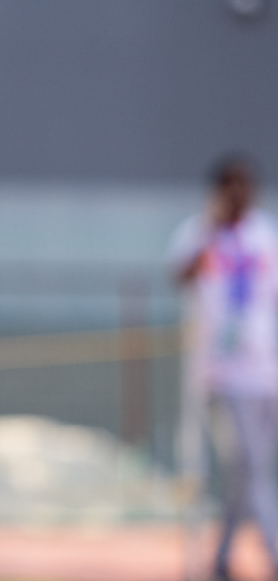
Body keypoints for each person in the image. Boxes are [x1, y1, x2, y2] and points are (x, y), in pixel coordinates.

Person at [170, 155, 278, 580]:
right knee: (253, 468)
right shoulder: (200, 232)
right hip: (224, 371)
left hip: (265, 370)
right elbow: (181, 273)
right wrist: (213, 229)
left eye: (244, 184)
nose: (238, 193)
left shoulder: (265, 233)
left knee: (247, 473)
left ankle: (221, 559)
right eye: (230, 185)